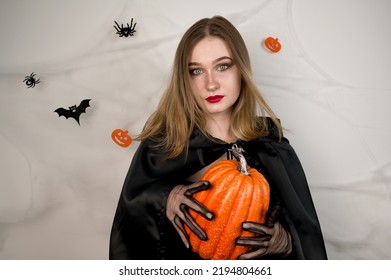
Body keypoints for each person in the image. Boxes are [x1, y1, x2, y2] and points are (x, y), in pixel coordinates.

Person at [109, 15, 327, 260]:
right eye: (196, 71)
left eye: (222, 66)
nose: (210, 84)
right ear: (184, 79)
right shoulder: (162, 147)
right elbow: (129, 229)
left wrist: (286, 242)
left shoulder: (272, 146)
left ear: (241, 70)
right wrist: (163, 198)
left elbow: (306, 239)